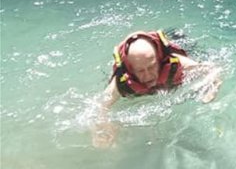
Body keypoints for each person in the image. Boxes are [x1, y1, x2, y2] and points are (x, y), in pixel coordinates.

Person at [91, 30, 222, 148]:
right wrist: (102, 129)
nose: (148, 75)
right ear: (131, 69)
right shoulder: (121, 81)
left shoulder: (176, 62)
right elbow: (98, 106)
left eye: (151, 67)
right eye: (140, 71)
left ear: (159, 60)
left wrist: (212, 87)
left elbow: (213, 70)